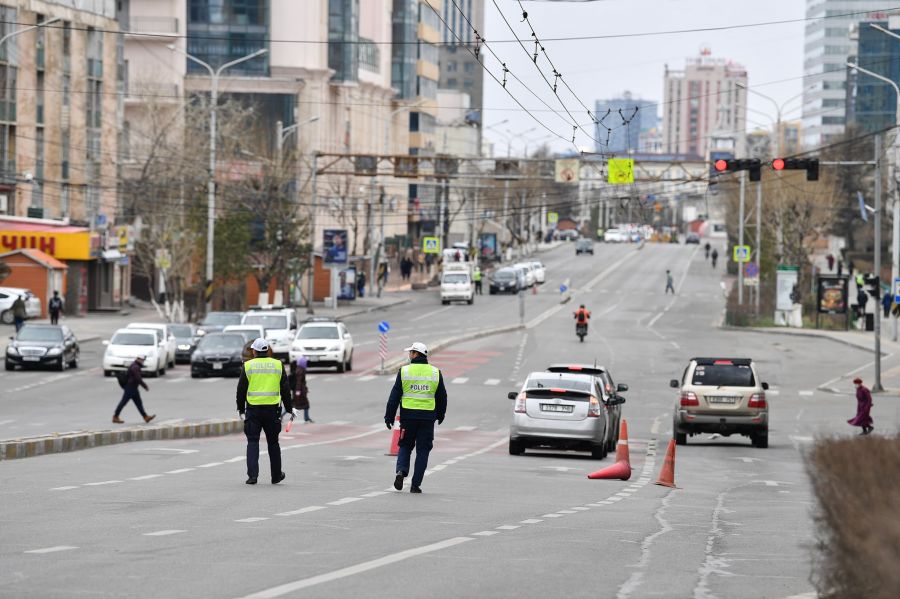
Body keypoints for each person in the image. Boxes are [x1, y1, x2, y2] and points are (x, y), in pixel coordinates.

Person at [384, 342, 447, 494]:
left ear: (415, 354)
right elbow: (442, 397)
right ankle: (415, 485)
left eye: (411, 352)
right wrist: (440, 414)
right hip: (427, 417)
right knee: (423, 450)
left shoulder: (404, 371)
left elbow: (394, 396)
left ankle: (401, 472)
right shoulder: (435, 372)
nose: (409, 355)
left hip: (408, 417)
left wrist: (389, 416)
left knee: (405, 445)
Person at [236, 338, 293, 485]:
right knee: (273, 443)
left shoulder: (248, 366)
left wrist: (241, 409)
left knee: (253, 442)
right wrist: (290, 408)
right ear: (267, 351)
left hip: (253, 411)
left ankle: (252, 477)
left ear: (254, 351)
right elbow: (285, 390)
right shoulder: (278, 365)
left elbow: (241, 390)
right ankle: (276, 476)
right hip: (272, 411)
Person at [112, 356, 156, 424]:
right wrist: (145, 386)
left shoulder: (135, 365)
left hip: (134, 388)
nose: (143, 361)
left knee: (139, 403)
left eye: (143, 360)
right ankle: (115, 417)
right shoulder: (135, 367)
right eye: (142, 360)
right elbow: (138, 378)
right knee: (123, 402)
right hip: (130, 388)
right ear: (138, 359)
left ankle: (145, 417)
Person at [288, 356, 313, 423]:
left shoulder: (299, 369)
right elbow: (299, 381)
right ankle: (306, 418)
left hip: (299, 390)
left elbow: (302, 382)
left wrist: (305, 389)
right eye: (305, 362)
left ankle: (306, 418)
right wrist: (298, 391)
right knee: (304, 405)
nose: (306, 363)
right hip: (299, 391)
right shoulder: (301, 370)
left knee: (295, 405)